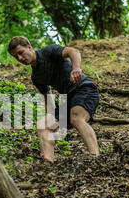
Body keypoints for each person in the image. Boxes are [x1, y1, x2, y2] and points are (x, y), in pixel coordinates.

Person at [7, 36, 100, 165]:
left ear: (29, 47)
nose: (20, 58)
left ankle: (95, 159)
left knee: (76, 118)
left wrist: (76, 68)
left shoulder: (48, 52)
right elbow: (48, 98)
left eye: (21, 53)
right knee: (42, 125)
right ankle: (47, 162)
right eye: (16, 57)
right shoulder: (36, 77)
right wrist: (54, 126)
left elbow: (73, 52)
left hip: (84, 89)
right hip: (67, 100)